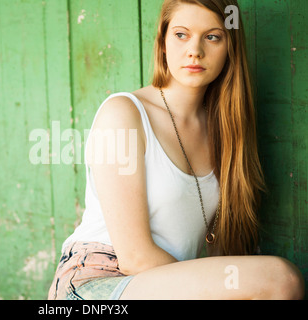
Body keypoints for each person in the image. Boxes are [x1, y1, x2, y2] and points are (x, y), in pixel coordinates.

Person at [48, 0, 305, 300]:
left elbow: (218, 254)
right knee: (281, 278)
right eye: (181, 34)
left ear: (230, 46)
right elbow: (135, 257)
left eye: (212, 36)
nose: (195, 50)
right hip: (96, 284)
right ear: (163, 42)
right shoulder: (124, 114)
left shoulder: (225, 131)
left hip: (164, 284)